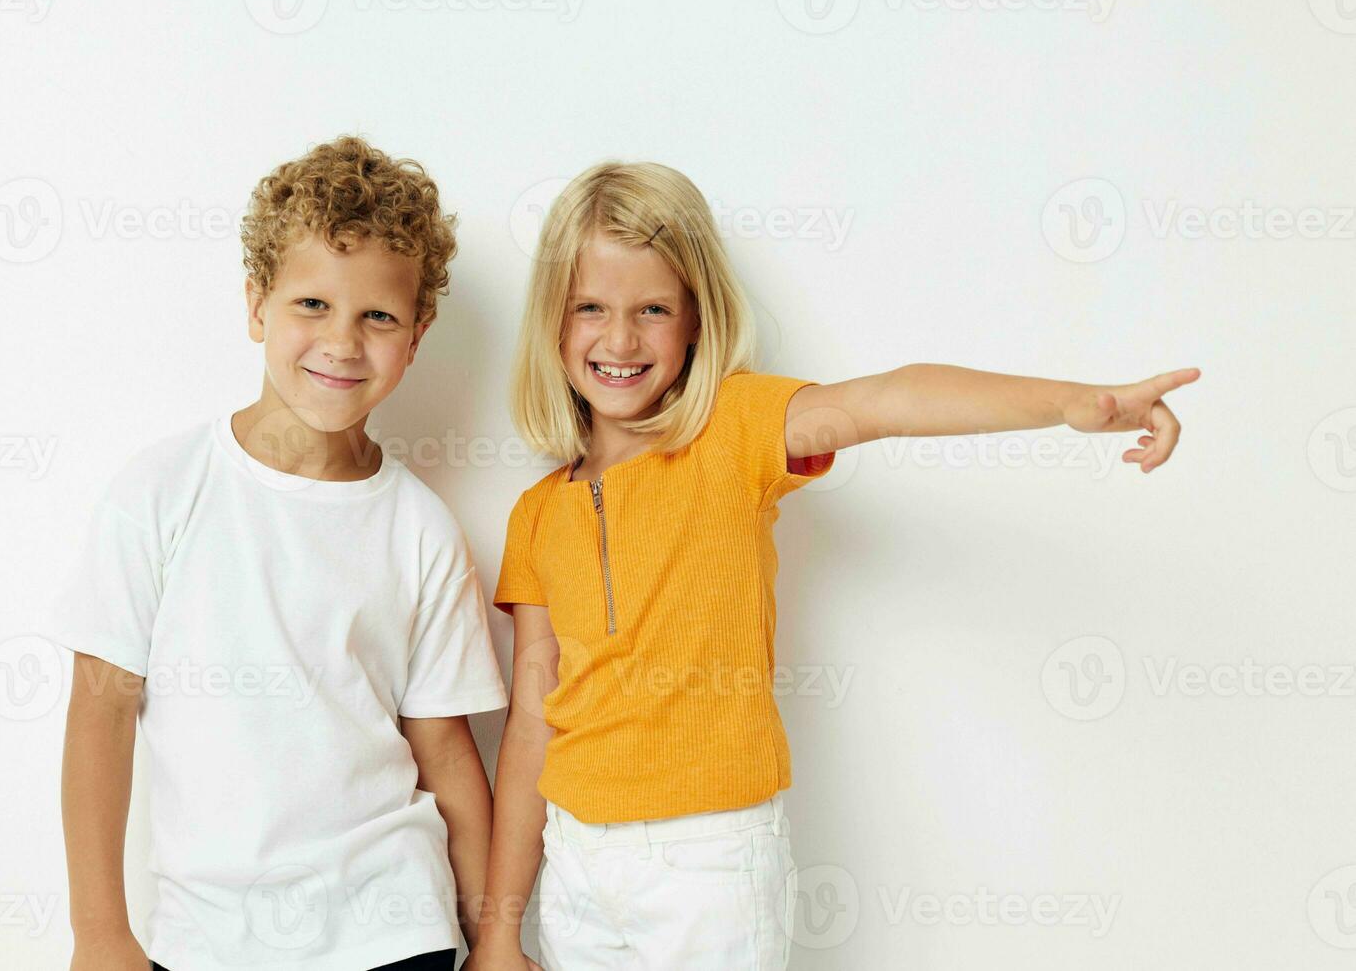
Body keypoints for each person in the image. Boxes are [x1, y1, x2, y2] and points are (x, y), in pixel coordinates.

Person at [468, 161, 1198, 969]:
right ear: (553, 323)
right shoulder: (537, 513)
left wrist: (1069, 402)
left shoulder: (735, 430)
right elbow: (532, 724)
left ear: (695, 323)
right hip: (576, 864)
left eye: (653, 310)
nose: (620, 339)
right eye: (590, 309)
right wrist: (501, 929)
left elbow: (888, 398)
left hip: (709, 858)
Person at [46, 135, 507, 971]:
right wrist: (99, 934)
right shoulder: (161, 491)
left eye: (378, 316)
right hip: (210, 939)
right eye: (311, 306)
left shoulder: (422, 529)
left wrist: (496, 941)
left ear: (417, 334)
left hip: (395, 928)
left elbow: (444, 751)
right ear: (256, 304)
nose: (342, 342)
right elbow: (100, 715)